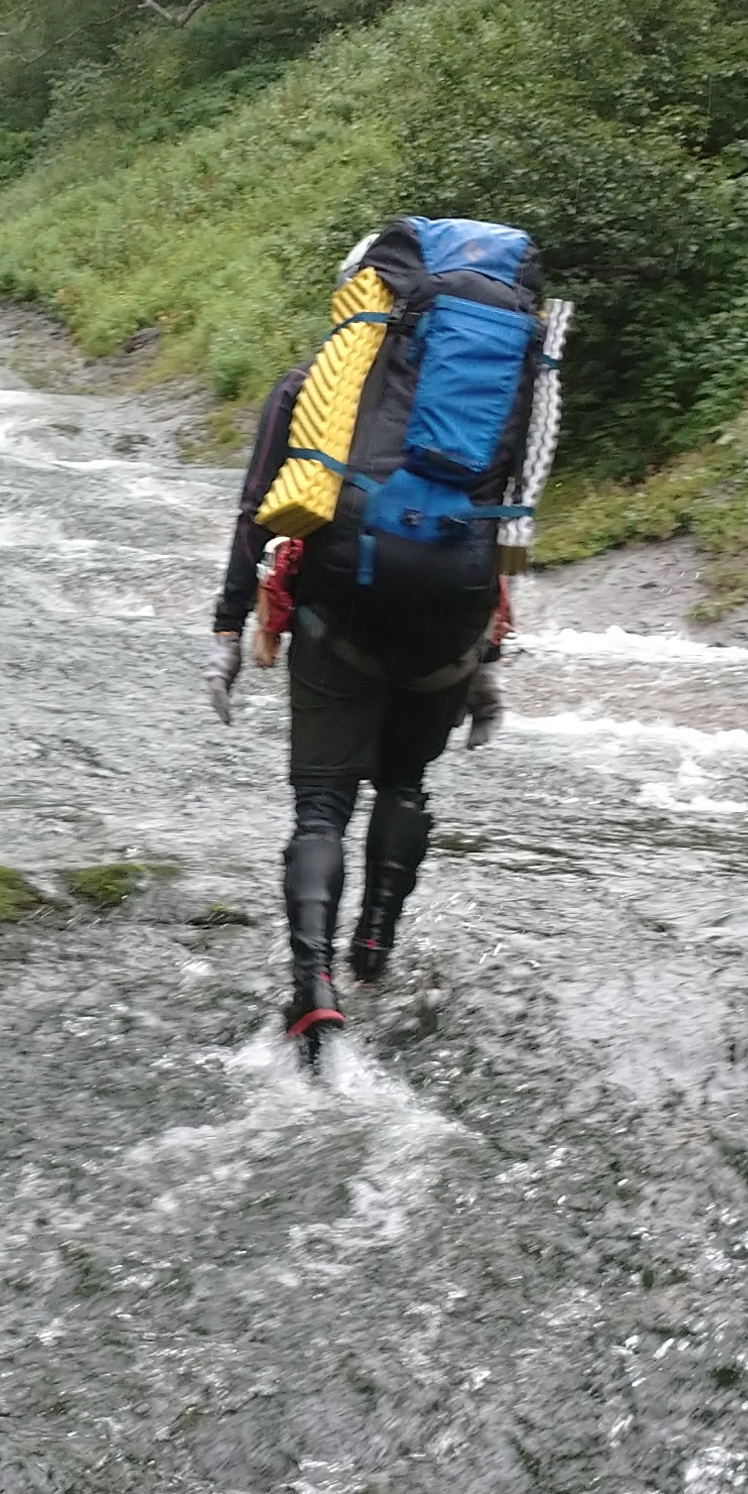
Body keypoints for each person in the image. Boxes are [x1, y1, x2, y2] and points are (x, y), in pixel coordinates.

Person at [210, 219, 556, 1064]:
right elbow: (509, 524)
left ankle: (314, 990)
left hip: (342, 606)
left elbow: (259, 513)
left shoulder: (311, 391)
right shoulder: (504, 392)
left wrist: (227, 630)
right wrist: (486, 665)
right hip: (455, 615)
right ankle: (376, 950)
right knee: (404, 784)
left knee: (322, 805)